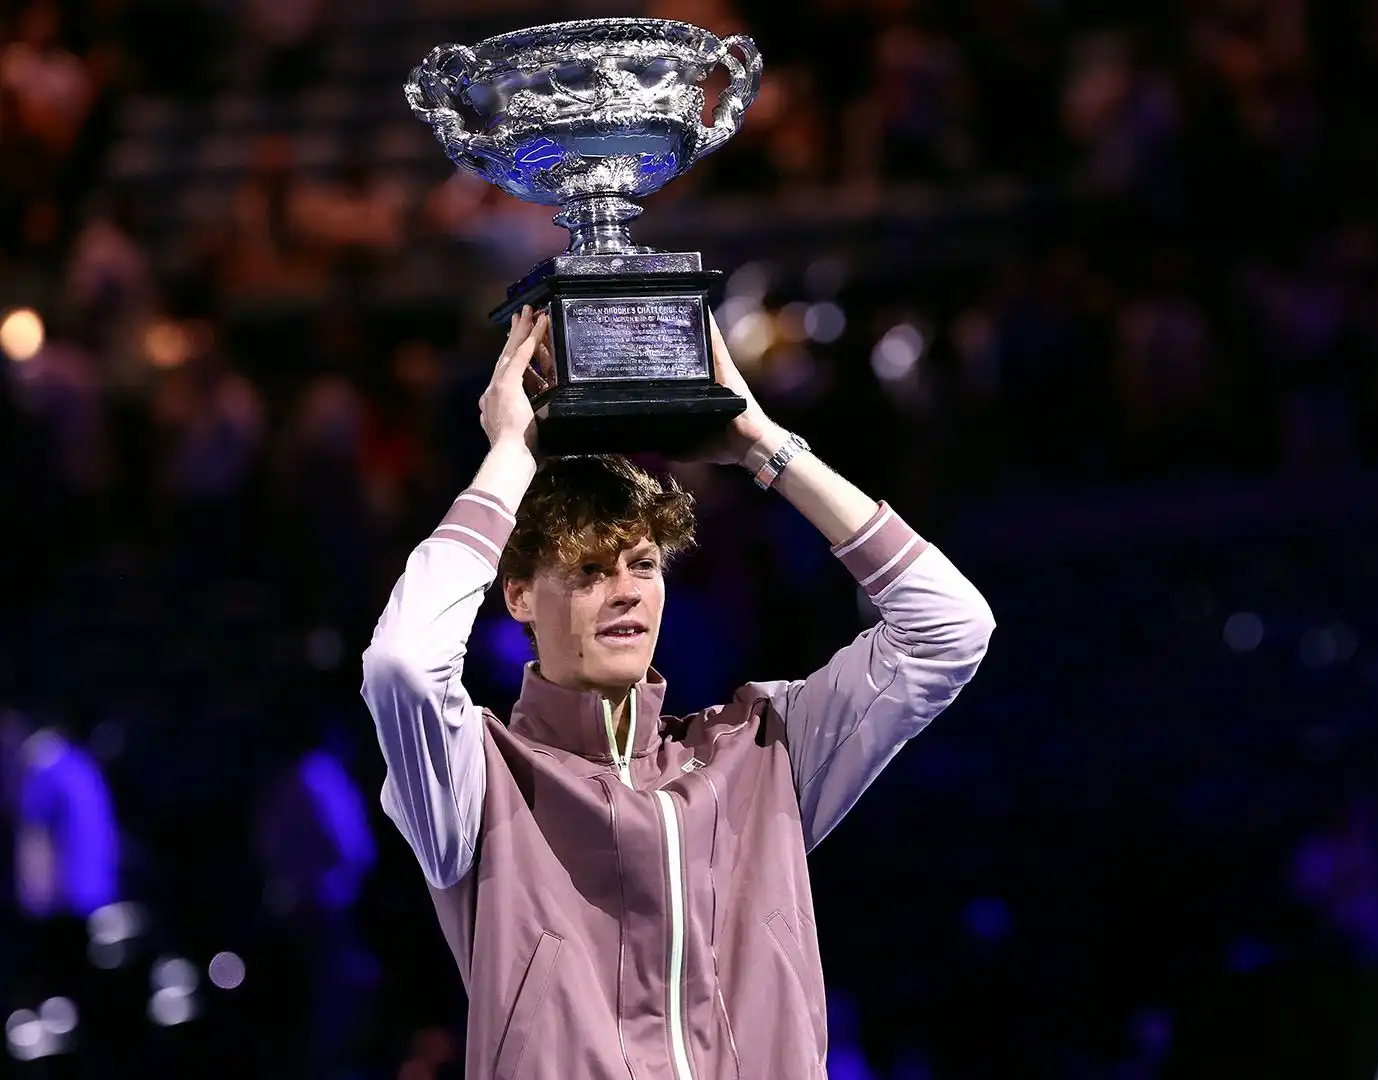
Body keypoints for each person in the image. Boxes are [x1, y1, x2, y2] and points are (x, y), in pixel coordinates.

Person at [360, 306, 995, 1079]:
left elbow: (952, 627)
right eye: (590, 572)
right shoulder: (479, 778)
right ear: (519, 596)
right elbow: (401, 662)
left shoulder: (759, 753)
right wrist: (509, 457)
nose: (625, 593)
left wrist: (762, 445)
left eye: (644, 565)